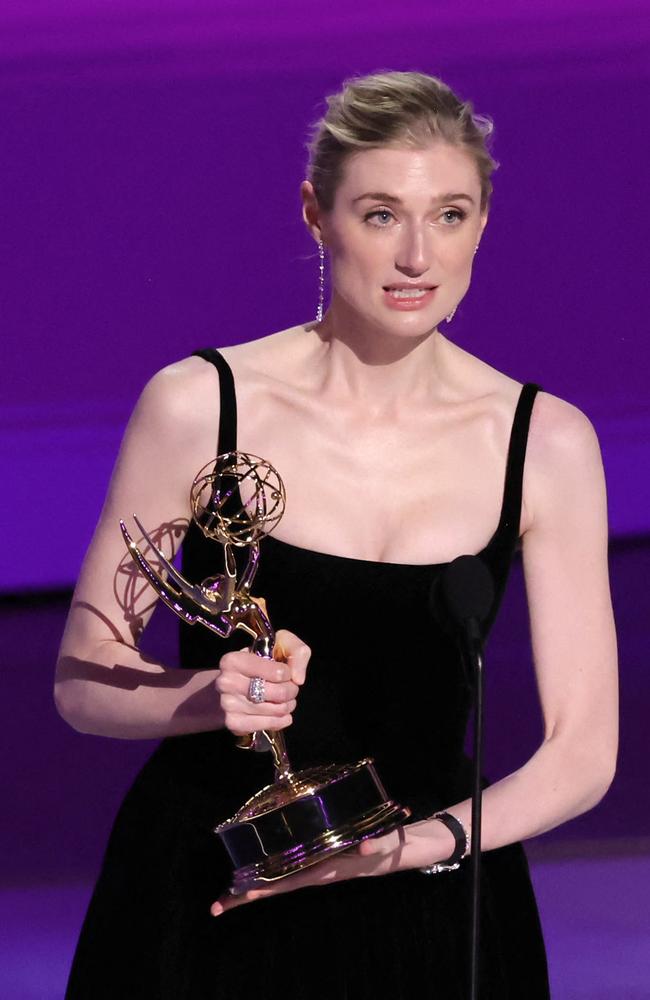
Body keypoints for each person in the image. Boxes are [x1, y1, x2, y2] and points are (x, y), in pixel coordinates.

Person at [55, 70, 618, 998]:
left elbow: (582, 753)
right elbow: (84, 677)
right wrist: (206, 697)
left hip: (433, 905)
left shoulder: (544, 443)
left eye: (448, 214)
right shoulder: (205, 406)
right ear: (315, 214)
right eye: (381, 214)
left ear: (482, 223)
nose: (416, 257)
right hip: (213, 890)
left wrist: (412, 849)